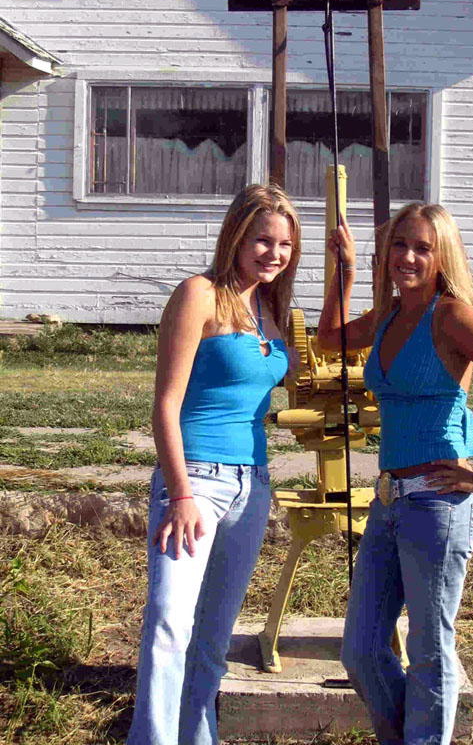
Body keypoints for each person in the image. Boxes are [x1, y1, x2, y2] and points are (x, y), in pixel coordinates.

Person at [317, 203, 473, 745]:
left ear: (442, 256)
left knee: (429, 649)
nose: (408, 257)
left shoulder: (453, 316)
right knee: (362, 651)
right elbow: (330, 340)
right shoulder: (390, 315)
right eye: (400, 245)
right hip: (390, 501)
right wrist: (344, 274)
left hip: (439, 507)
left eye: (422, 247)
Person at [127, 184, 301, 745]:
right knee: (170, 625)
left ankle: (198, 735)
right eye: (262, 240)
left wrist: (345, 273)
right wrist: (178, 493)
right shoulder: (199, 294)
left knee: (214, 635)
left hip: (252, 485)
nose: (273, 253)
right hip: (195, 481)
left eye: (284, 244)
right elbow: (165, 404)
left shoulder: (270, 308)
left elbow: (305, 368)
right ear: (236, 236)